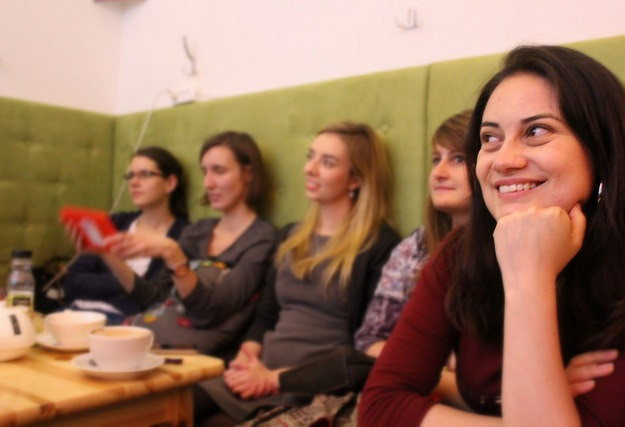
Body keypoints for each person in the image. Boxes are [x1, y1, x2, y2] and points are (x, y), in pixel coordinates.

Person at [359, 45, 625, 426]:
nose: (504, 160)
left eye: (536, 131)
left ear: (602, 149)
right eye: (490, 139)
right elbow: (379, 407)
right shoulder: (461, 252)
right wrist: (538, 399)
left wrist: (529, 277)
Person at [196, 122, 401, 425]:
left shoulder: (379, 245)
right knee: (175, 404)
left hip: (311, 388)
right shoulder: (291, 235)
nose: (310, 169)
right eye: (310, 156)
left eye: (327, 162)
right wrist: (247, 356)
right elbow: (267, 314)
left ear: (355, 179)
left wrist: (273, 378)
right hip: (258, 374)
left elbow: (361, 350)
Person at [82, 132, 276, 357]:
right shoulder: (198, 231)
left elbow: (210, 312)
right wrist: (109, 256)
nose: (208, 183)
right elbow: (155, 298)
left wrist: (173, 255)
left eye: (219, 171)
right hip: (142, 338)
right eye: (205, 172)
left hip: (188, 356)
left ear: (248, 173)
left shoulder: (261, 240)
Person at [354, 110, 472, 359]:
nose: (439, 173)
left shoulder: (508, 243)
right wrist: (433, 369)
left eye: (458, 159)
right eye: (436, 159)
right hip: (415, 374)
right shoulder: (416, 246)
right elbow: (369, 339)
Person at [63, 146, 190, 324]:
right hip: (75, 313)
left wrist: (106, 282)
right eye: (131, 175)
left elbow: (155, 301)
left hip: (125, 324)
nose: (134, 182)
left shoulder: (183, 236)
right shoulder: (114, 223)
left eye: (145, 175)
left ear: (170, 183)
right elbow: (72, 282)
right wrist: (126, 283)